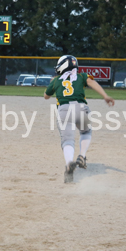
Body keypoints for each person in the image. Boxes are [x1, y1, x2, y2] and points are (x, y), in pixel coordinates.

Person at [44, 55, 115, 183]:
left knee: (67, 140)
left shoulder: (56, 80)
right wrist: (105, 95)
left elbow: (46, 96)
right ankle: (82, 156)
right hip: (81, 108)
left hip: (64, 110)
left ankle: (68, 164)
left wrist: (52, 84)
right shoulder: (82, 76)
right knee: (86, 131)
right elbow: (92, 82)